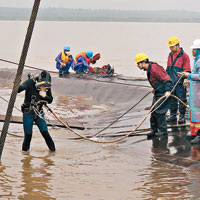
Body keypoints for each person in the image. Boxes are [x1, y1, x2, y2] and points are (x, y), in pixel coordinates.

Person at [135, 53, 173, 138]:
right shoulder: (149, 69)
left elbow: (167, 79)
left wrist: (167, 90)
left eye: (138, 63)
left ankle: (163, 131)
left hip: (164, 93)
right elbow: (157, 80)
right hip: (158, 92)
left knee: (159, 111)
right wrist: (155, 88)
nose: (137, 66)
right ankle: (154, 130)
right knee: (153, 111)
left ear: (143, 62)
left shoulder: (154, 68)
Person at [18, 70, 55, 152]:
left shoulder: (46, 86)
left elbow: (50, 100)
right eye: (42, 86)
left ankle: (53, 152)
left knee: (45, 133)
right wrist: (16, 83)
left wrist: (45, 96)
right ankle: (25, 158)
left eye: (46, 87)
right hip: (28, 112)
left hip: (39, 112)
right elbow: (18, 90)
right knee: (28, 136)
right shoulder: (30, 82)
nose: (44, 88)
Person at [166, 36, 191, 125]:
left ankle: (181, 116)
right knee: (172, 99)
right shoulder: (170, 55)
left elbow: (187, 70)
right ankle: (173, 116)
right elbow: (168, 68)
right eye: (170, 47)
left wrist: (185, 80)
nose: (171, 48)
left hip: (180, 83)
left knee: (181, 99)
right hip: (171, 82)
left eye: (172, 46)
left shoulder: (185, 56)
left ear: (177, 45)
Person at [182, 39, 200, 144]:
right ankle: (194, 132)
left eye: (194, 49)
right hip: (194, 92)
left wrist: (188, 75)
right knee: (193, 112)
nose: (192, 51)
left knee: (198, 113)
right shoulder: (196, 60)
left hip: (198, 93)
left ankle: (199, 134)